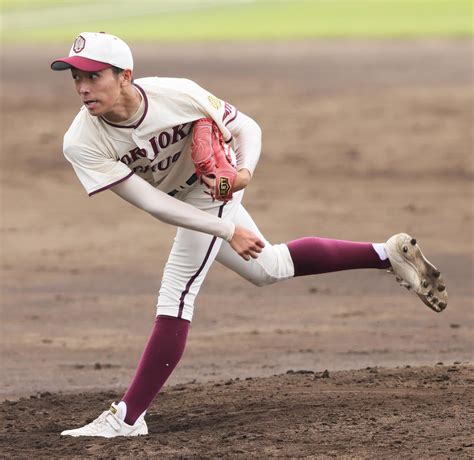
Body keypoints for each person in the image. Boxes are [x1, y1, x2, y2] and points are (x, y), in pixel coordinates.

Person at [51, 32, 447, 438]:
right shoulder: (82, 141)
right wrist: (228, 229)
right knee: (268, 268)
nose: (82, 89)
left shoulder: (178, 94)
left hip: (211, 195)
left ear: (124, 76)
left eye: (93, 76)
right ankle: (386, 255)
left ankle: (128, 418)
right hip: (185, 204)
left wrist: (242, 175)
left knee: (177, 293)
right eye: (75, 78)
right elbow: (153, 203)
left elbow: (247, 128)